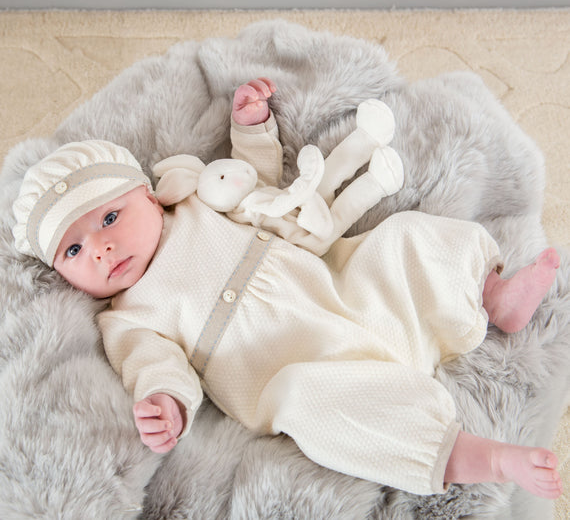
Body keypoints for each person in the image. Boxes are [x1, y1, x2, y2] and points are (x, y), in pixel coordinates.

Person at [12, 78, 563, 499]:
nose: (101, 248)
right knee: (315, 411)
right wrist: (165, 401)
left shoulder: (195, 200)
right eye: (74, 250)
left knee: (402, 240)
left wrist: (252, 128)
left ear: (149, 197)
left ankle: (491, 296)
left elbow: (262, 187)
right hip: (294, 371)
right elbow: (153, 362)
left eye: (109, 219)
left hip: (345, 291)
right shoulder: (125, 316)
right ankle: (475, 457)